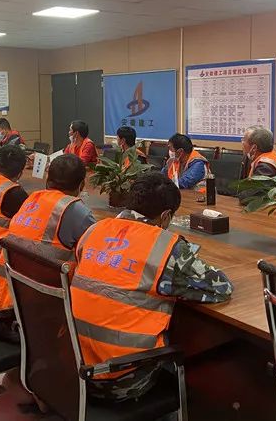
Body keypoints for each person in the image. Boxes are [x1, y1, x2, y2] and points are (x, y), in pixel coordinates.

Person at [70, 172, 232, 402]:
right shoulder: (165, 247)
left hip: (71, 363)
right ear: (165, 216)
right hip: (122, 379)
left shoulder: (94, 231)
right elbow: (221, 287)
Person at [0, 154, 95, 311]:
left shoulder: (30, 200)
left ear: (47, 180)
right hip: (39, 304)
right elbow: (97, 251)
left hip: (2, 294)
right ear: (82, 185)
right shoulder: (76, 211)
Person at [238, 125, 276, 205]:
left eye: (244, 140)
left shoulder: (266, 167)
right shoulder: (268, 157)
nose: (242, 142)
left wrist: (241, 194)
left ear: (254, 148)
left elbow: (250, 198)